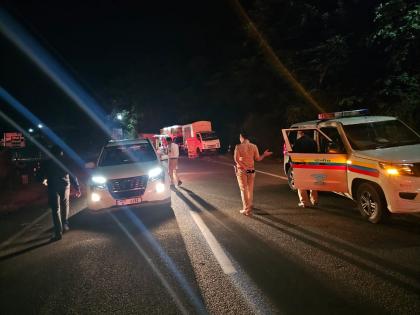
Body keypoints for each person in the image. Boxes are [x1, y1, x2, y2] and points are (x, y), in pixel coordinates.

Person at [42, 146, 81, 241]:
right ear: (61, 152)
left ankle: (58, 233)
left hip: (52, 186)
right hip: (64, 186)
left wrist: (44, 179)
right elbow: (72, 175)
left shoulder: (47, 162)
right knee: (65, 205)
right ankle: (65, 224)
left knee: (56, 209)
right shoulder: (65, 161)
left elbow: (40, 175)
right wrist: (77, 188)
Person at [234, 132, 272, 216]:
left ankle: (246, 209)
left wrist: (244, 167)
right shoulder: (254, 146)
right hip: (251, 170)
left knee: (243, 189)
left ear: (241, 137)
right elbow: (258, 159)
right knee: (250, 188)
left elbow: (236, 160)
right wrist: (264, 155)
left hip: (242, 170)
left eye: (239, 137)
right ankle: (250, 204)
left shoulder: (238, 147)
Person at [293, 130, 318, 208]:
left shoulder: (298, 142)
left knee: (301, 183)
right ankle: (315, 200)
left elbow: (294, 154)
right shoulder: (313, 142)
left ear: (301, 133)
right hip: (311, 164)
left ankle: (304, 202)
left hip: (301, 165)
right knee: (312, 183)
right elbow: (316, 153)